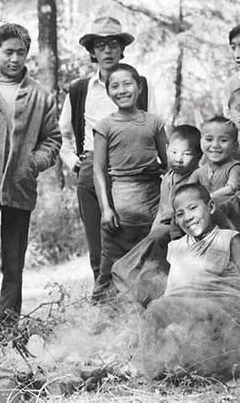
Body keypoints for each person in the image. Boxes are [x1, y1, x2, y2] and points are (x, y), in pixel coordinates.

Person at [0, 23, 61, 320]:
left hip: (19, 187)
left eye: (21, 53)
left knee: (14, 261)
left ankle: (8, 322)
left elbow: (52, 139)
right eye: (7, 52)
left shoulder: (40, 96)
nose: (14, 59)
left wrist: (33, 163)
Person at [135, 183, 240, 379]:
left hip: (222, 315)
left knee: (157, 309)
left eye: (193, 208)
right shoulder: (174, 248)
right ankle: (160, 368)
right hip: (186, 319)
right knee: (163, 322)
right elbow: (174, 290)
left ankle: (151, 371)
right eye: (179, 214)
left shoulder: (229, 239)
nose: (187, 217)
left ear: (211, 207)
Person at [59, 16, 155, 282]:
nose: (107, 51)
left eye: (113, 44)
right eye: (100, 45)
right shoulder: (80, 89)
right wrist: (72, 160)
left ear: (122, 49)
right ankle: (105, 310)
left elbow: (156, 127)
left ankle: (138, 307)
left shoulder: (140, 84)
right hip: (92, 170)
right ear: (92, 51)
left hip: (135, 174)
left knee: (138, 243)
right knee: (99, 249)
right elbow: (62, 132)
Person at [92, 63, 167, 302]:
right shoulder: (105, 126)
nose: (122, 90)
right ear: (108, 92)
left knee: (152, 269)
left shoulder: (154, 122)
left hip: (151, 214)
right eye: (114, 86)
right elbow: (99, 170)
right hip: (119, 218)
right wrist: (105, 209)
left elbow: (169, 165)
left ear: (139, 86)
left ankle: (150, 317)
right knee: (109, 274)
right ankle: (100, 324)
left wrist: (164, 210)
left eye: (127, 84)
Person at [111, 125, 202, 306]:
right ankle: (138, 306)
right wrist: (151, 236)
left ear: (199, 156)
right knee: (126, 269)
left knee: (132, 269)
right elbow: (161, 210)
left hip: (177, 234)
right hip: (159, 236)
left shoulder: (196, 177)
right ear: (166, 150)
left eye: (187, 154)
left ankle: (151, 305)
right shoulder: (167, 178)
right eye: (174, 152)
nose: (178, 159)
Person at [189, 116, 240, 232]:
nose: (215, 145)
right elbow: (187, 192)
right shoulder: (198, 172)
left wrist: (207, 199)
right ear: (201, 142)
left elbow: (232, 188)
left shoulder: (235, 167)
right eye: (209, 139)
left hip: (232, 226)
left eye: (223, 140)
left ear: (235, 145)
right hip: (205, 225)